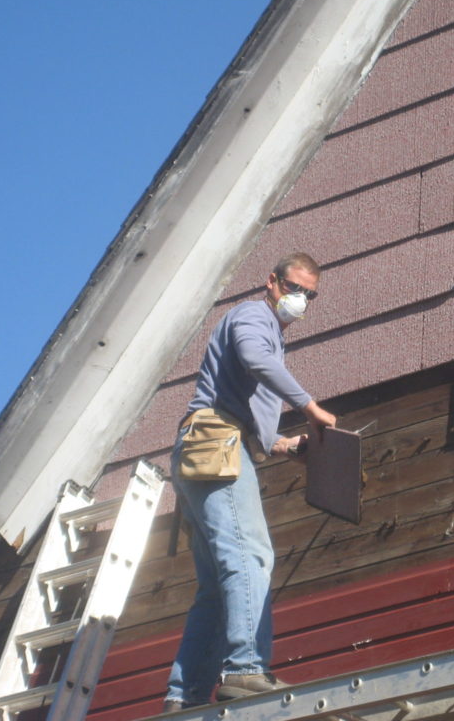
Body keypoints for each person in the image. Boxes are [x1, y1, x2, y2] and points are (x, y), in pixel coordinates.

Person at [163, 252, 336, 713]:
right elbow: (255, 359)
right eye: (294, 288)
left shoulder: (267, 332)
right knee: (251, 554)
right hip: (216, 441)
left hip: (211, 442)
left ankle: (186, 697)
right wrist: (309, 406)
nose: (299, 299)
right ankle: (244, 668)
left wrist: (282, 445)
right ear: (272, 283)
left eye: (309, 294)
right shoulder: (254, 316)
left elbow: (245, 406)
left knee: (217, 586)